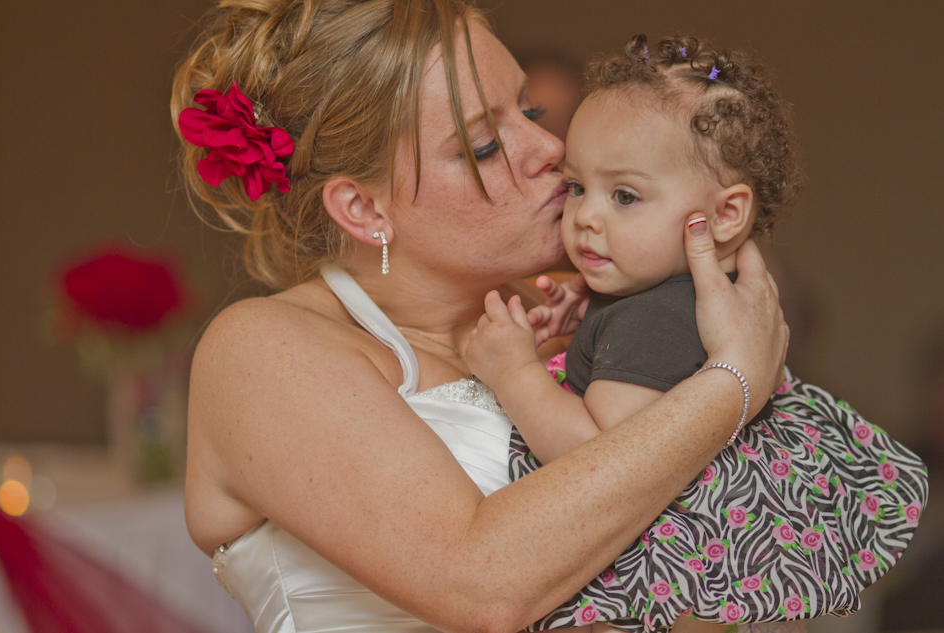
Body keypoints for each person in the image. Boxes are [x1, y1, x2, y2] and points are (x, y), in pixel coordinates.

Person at [172, 3, 790, 632]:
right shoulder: (262, 351)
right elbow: (481, 584)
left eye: (531, 112)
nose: (551, 148)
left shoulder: (575, 328)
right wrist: (735, 376)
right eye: (487, 145)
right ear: (363, 208)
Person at [464, 35, 928, 632]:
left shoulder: (655, 319)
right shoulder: (657, 303)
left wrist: (515, 371)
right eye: (577, 187)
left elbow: (592, 458)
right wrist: (588, 326)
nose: (586, 216)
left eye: (625, 195)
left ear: (726, 216)